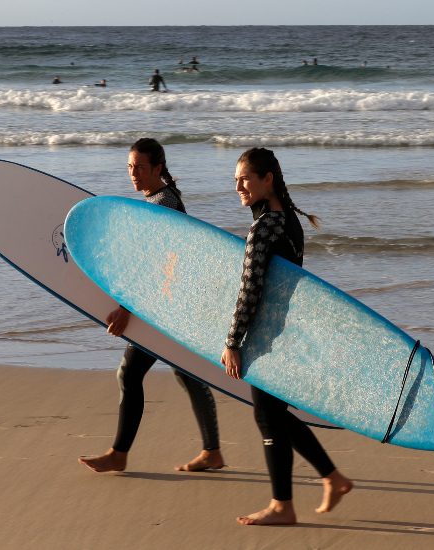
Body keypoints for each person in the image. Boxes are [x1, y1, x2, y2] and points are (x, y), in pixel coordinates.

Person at [221, 147, 353, 526]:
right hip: (287, 330)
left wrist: (232, 341)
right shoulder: (289, 221)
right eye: (235, 179)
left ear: (268, 180)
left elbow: (250, 289)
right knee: (274, 414)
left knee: (268, 415)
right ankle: (332, 478)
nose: (238, 186)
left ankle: (284, 505)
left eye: (245, 179)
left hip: (267, 334)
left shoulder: (264, 227)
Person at [78, 138, 225, 474]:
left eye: (140, 167)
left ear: (157, 169)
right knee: (186, 374)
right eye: (130, 166)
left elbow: (161, 267)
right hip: (170, 306)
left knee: (130, 373)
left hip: (164, 309)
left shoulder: (164, 205)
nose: (133, 173)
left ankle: (119, 454)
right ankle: (212, 451)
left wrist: (127, 309)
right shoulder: (160, 200)